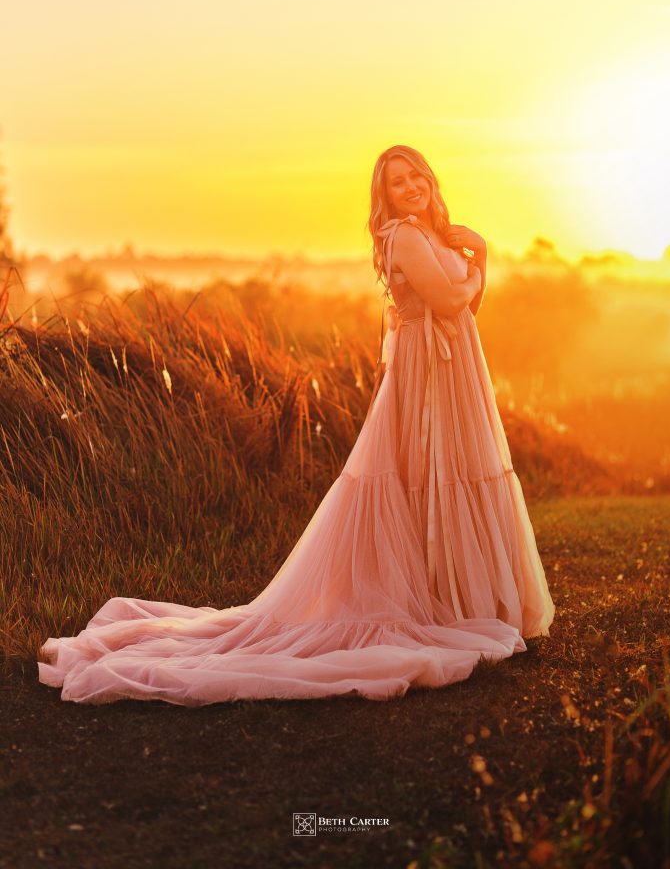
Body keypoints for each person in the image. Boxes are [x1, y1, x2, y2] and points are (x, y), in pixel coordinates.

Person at [37, 144, 555, 706]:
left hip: (454, 376)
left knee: (453, 475)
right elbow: (451, 299)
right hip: (424, 380)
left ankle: (465, 601)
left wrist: (476, 263)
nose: (410, 187)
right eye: (396, 182)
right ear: (384, 198)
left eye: (415, 176)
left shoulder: (436, 235)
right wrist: (480, 257)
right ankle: (444, 604)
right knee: (420, 477)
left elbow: (463, 310)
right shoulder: (405, 236)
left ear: (430, 178)